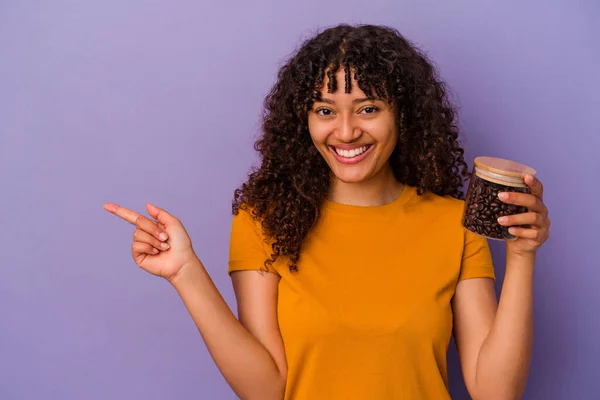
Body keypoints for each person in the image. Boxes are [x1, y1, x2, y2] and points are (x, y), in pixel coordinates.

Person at [104, 24, 550, 400]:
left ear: (404, 116)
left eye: (368, 108)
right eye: (325, 110)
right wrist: (186, 273)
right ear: (305, 120)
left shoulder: (455, 224)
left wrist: (521, 256)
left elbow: (495, 392)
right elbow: (265, 389)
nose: (346, 131)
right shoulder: (265, 220)